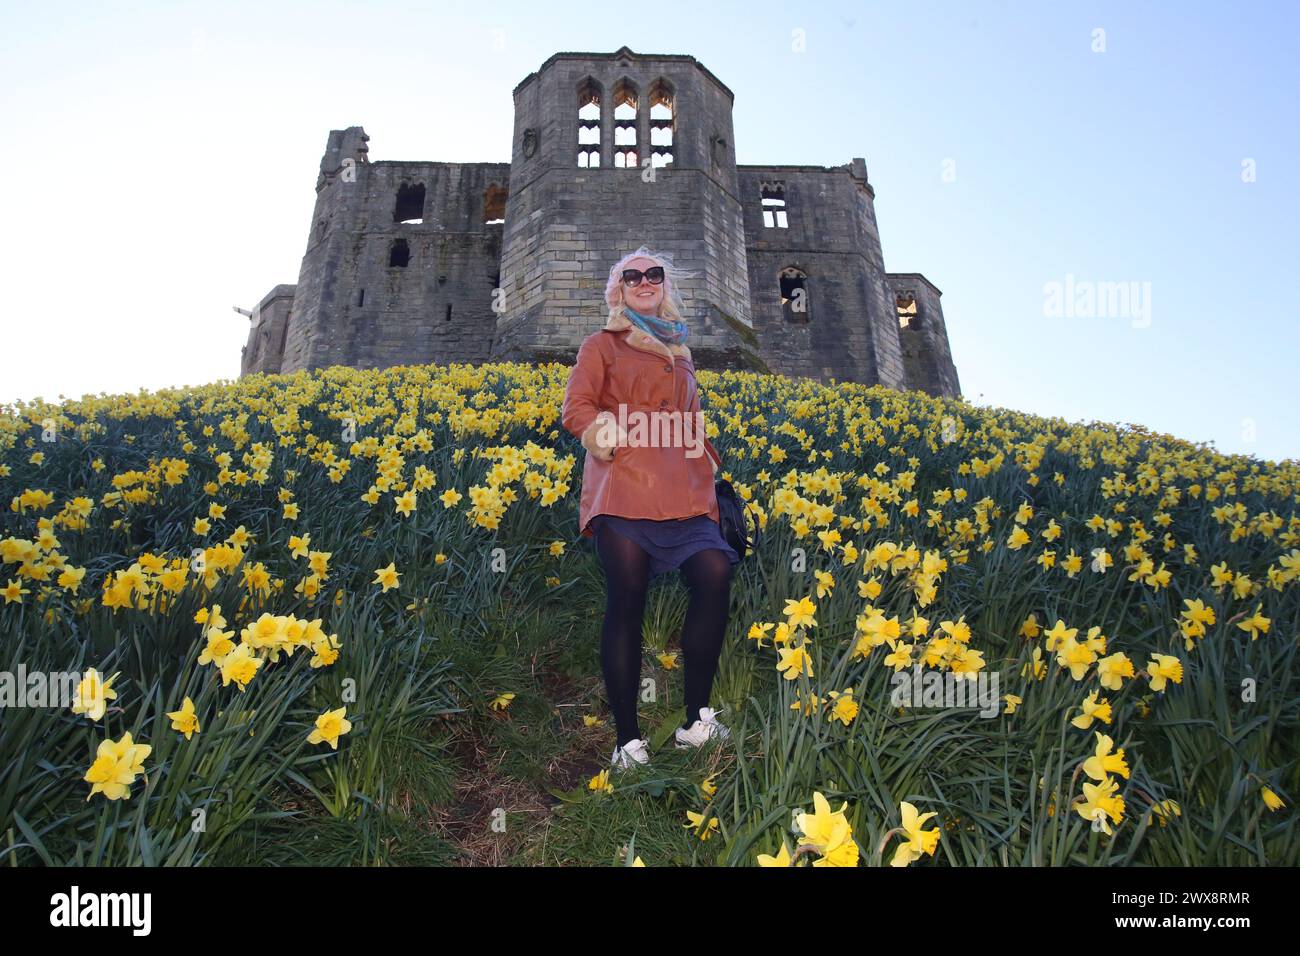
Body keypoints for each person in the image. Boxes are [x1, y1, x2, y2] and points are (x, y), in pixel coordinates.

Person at [561, 245, 739, 770]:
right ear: (619, 290)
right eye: (633, 276)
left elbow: (691, 417)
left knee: (714, 573)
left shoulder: (682, 351)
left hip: (684, 492)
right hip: (625, 486)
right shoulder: (602, 345)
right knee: (627, 601)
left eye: (654, 274)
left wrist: (707, 463)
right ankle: (628, 742)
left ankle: (696, 720)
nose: (645, 281)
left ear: (664, 285)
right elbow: (577, 407)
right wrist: (604, 435)